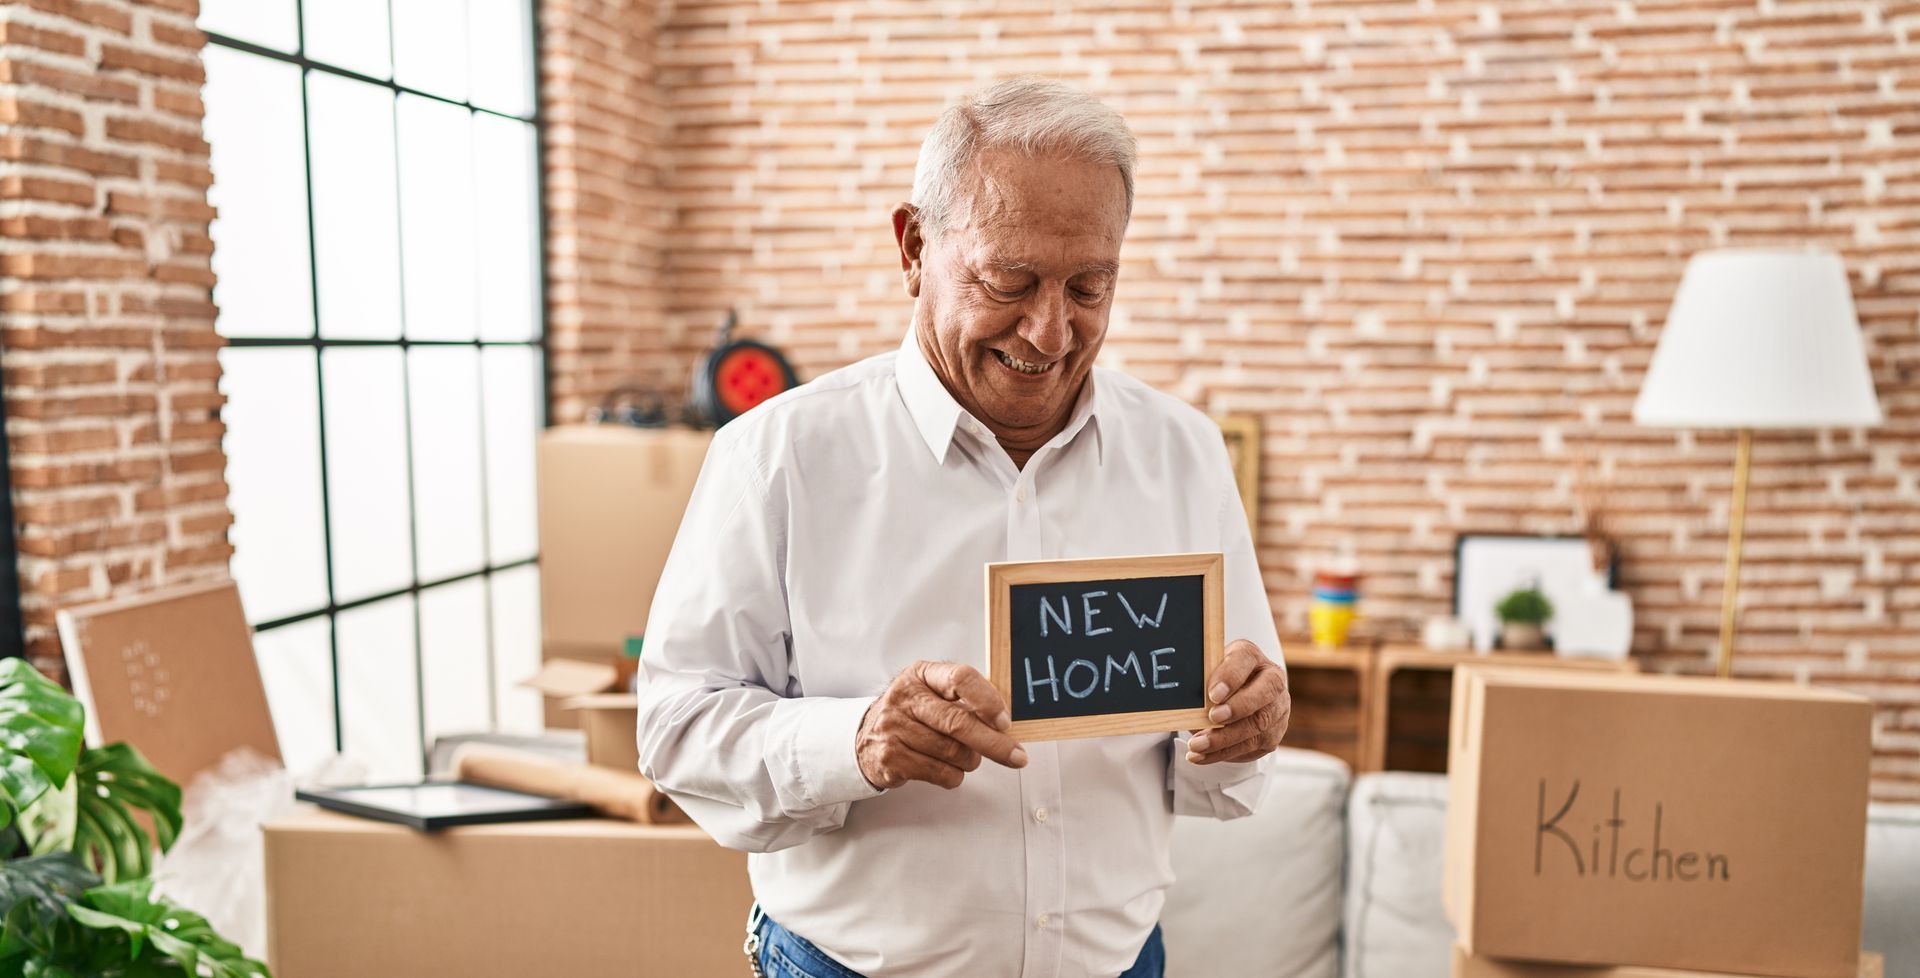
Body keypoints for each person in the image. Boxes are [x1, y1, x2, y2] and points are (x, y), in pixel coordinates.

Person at [634, 75, 1290, 978]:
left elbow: (1220, 765)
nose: (1051, 332)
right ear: (913, 247)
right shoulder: (777, 456)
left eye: (1089, 287)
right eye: (1008, 281)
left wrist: (1248, 729)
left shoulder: (1186, 453)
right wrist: (854, 741)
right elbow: (676, 727)